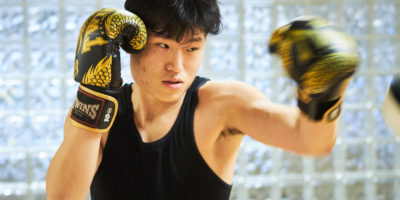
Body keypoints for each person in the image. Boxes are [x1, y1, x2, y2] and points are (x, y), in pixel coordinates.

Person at [46, 1, 359, 199]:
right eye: (163, 46)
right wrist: (94, 93)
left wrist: (324, 97)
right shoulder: (99, 114)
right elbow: (62, 197)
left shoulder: (222, 104)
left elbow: (310, 141)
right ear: (131, 43)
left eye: (192, 49)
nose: (178, 67)